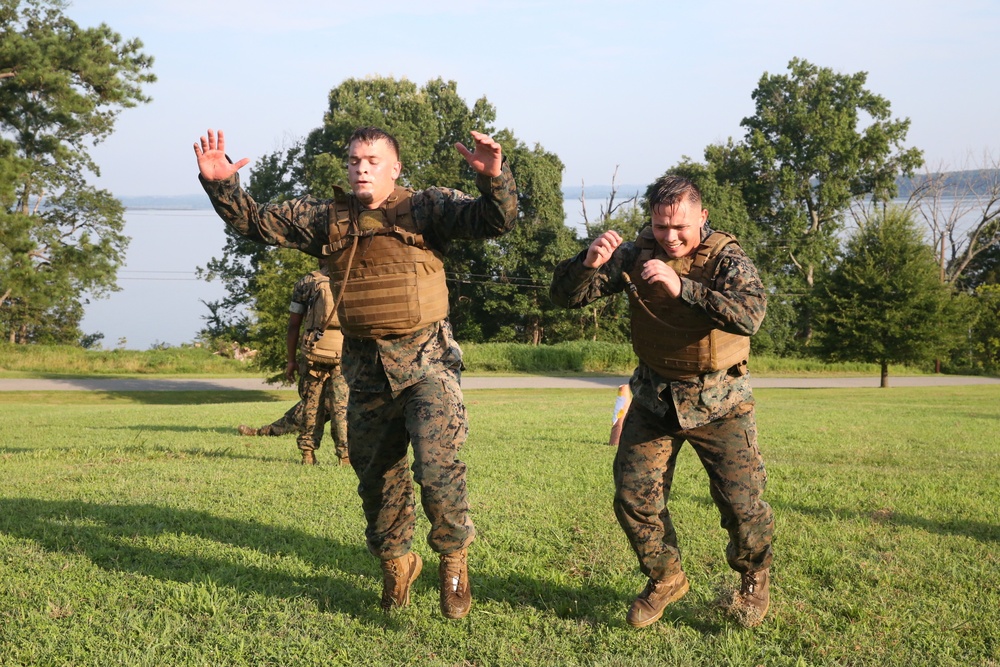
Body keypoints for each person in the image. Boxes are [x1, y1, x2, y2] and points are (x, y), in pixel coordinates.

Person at [194, 126, 518, 619]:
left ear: (395, 167)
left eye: (371, 159)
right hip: (364, 371)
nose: (360, 168)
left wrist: (495, 178)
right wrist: (223, 187)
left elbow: (494, 221)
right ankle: (396, 565)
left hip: (428, 364)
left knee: (436, 467)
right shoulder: (327, 218)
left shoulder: (428, 207)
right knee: (377, 482)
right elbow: (258, 224)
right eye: (353, 161)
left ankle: (453, 563)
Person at [550, 175, 774, 628]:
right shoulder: (636, 255)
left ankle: (753, 577)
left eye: (680, 227)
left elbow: (751, 316)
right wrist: (588, 262)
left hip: (720, 402)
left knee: (741, 504)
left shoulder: (726, 258)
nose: (669, 237)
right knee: (633, 497)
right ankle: (665, 577)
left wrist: (682, 287)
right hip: (655, 398)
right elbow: (563, 297)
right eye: (660, 226)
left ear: (702, 217)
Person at [236, 267, 349, 467]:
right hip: (344, 353)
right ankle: (345, 456)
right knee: (341, 407)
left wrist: (291, 361)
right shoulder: (353, 277)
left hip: (314, 353)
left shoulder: (305, 283)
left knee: (311, 406)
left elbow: (293, 325)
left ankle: (307, 454)